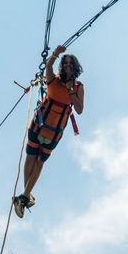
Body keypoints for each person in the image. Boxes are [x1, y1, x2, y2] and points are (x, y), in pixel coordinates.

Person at [13, 45, 84, 218]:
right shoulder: (53, 79)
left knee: (39, 161)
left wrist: (69, 89)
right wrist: (54, 54)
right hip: (39, 125)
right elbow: (48, 68)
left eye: (70, 63)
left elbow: (80, 109)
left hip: (54, 131)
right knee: (30, 156)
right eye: (65, 63)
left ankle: (25, 195)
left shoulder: (77, 86)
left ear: (75, 67)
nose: (67, 65)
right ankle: (26, 194)